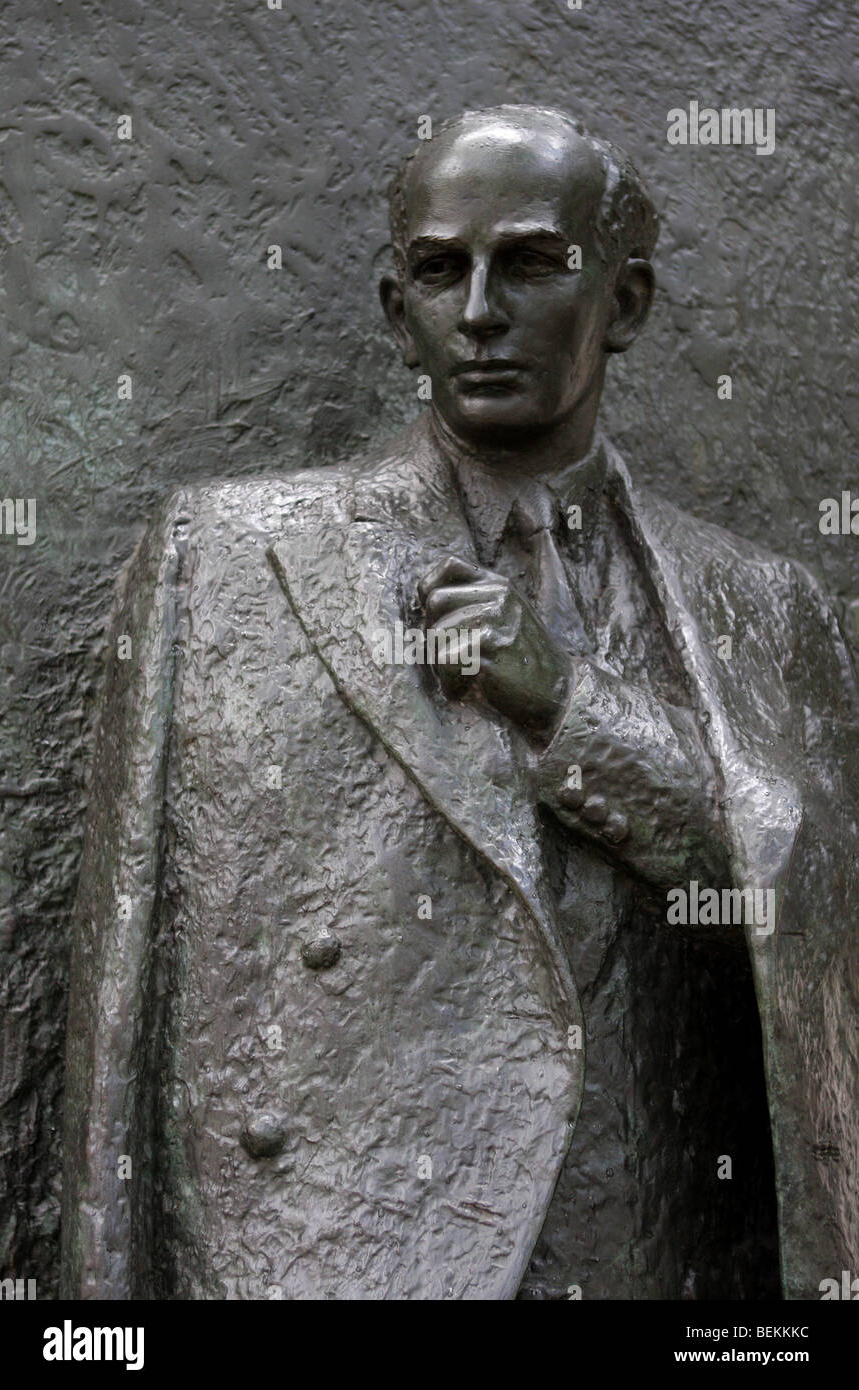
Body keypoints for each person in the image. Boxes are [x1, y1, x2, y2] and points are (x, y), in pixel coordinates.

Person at [62, 106, 859, 1300]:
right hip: (322, 1254)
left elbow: (809, 906)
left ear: (625, 303)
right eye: (439, 272)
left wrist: (571, 706)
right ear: (398, 314)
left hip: (654, 1260)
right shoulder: (223, 554)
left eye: (531, 264)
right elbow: (120, 1000)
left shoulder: (760, 604)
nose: (478, 313)